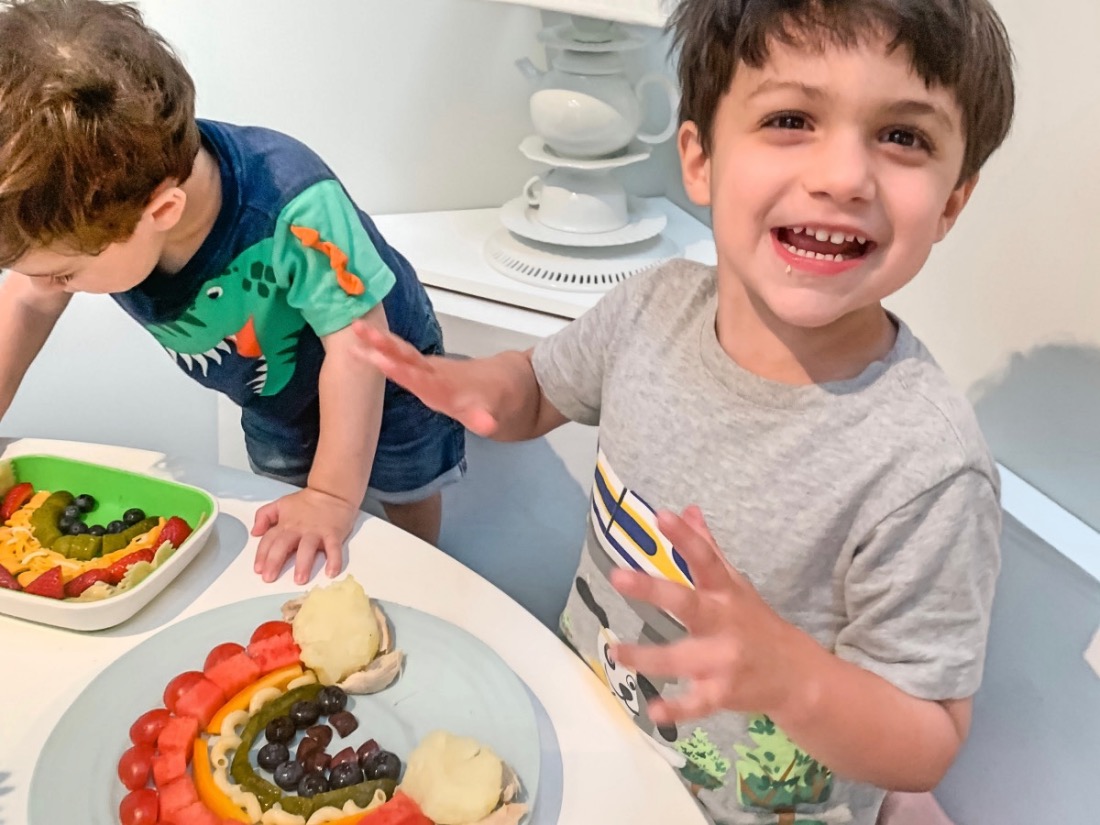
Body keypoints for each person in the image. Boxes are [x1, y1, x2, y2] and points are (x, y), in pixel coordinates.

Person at [353, 0, 1015, 821]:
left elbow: (928, 739)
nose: (845, 176)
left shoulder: (925, 468)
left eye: (903, 136)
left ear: (951, 201)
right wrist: (481, 387)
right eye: (791, 118)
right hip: (590, 743)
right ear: (699, 160)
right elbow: (539, 389)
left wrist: (794, 677)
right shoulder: (650, 308)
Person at [0, 0, 464, 585]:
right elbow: (26, 299)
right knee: (277, 488)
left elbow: (359, 346)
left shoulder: (294, 201)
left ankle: (417, 564)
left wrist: (330, 497)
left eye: (64, 274)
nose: (49, 285)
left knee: (407, 477)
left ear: (162, 211)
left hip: (389, 368)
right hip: (270, 390)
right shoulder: (94, 214)